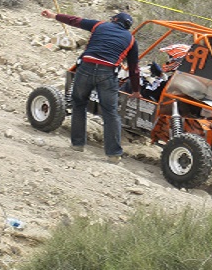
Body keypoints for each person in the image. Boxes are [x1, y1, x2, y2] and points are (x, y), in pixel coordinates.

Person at [41, 9, 139, 163]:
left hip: (86, 67)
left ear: (114, 20)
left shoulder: (99, 25)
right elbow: (134, 68)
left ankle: (77, 144)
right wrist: (136, 90)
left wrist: (54, 15)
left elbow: (75, 20)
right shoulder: (131, 40)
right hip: (108, 74)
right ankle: (113, 154)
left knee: (79, 104)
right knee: (110, 112)